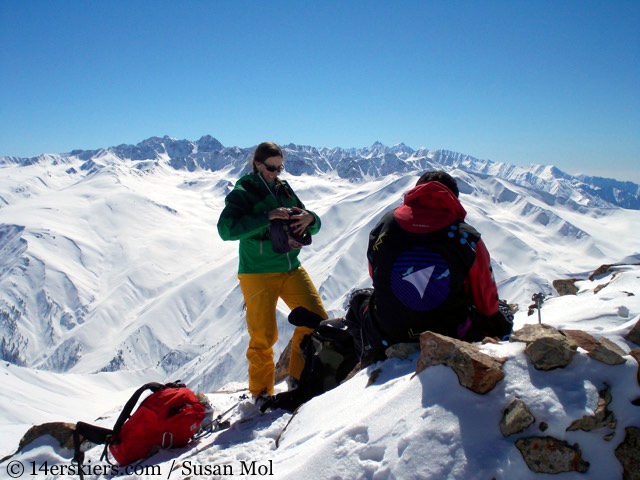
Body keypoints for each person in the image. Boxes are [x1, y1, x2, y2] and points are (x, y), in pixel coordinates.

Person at [345, 170, 512, 362]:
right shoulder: (466, 236)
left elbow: (376, 274)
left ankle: (366, 358)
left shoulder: (386, 224)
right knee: (499, 318)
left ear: (416, 192)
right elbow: (487, 304)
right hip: (452, 336)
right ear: (454, 199)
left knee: (358, 301)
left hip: (389, 333)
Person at [217, 141, 328, 404]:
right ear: (257, 164)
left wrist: (311, 218)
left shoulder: (283, 188)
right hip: (257, 272)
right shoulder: (243, 191)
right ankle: (261, 393)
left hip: (291, 267)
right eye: (271, 168)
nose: (276, 173)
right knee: (263, 336)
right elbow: (226, 230)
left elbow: (312, 223)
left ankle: (298, 379)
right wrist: (266, 217)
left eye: (280, 168)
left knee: (315, 320)